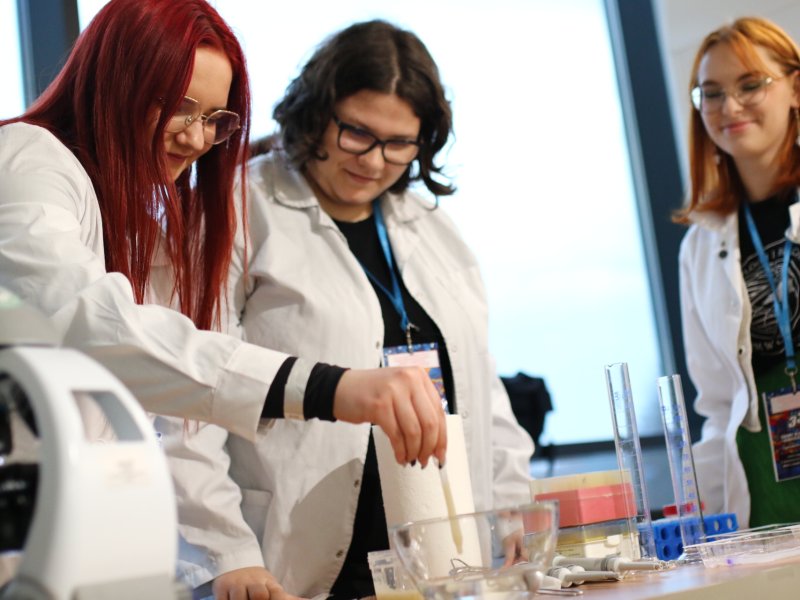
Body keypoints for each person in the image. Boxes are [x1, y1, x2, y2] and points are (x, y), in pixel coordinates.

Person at [163, 19, 535, 599]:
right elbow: (186, 399)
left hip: (442, 559)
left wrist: (512, 504)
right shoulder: (236, 208)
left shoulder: (430, 225)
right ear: (316, 113)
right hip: (289, 564)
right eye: (358, 133)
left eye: (399, 143)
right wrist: (225, 553)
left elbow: (479, 382)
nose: (375, 162)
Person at [0, 0, 447, 477]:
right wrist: (326, 389)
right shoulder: (27, 160)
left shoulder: (127, 218)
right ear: (115, 83)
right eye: (179, 107)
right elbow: (88, 323)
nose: (196, 140)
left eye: (214, 118)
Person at [676, 16, 800, 529]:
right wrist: (705, 525)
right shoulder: (701, 245)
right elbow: (717, 404)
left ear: (795, 89)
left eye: (751, 85)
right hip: (765, 488)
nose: (729, 107)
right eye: (712, 93)